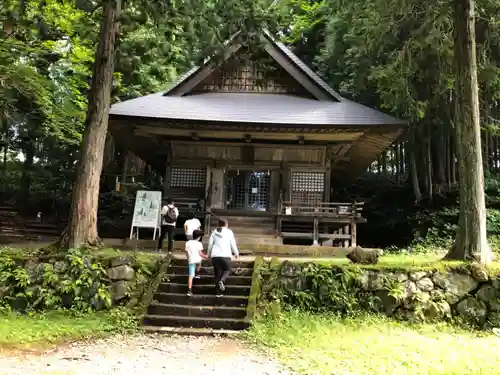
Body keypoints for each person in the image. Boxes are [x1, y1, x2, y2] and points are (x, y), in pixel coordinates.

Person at [207, 218, 239, 297]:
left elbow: (210, 244)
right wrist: (236, 253)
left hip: (215, 256)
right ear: (226, 224)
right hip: (225, 255)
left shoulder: (214, 232)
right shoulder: (229, 232)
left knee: (217, 274)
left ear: (218, 224)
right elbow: (233, 244)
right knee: (227, 270)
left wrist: (208, 254)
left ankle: (218, 293)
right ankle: (222, 280)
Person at [185, 229, 207, 296]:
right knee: (200, 260)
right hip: (197, 259)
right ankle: (197, 272)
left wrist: (188, 258)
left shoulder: (187, 243)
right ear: (199, 237)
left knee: (191, 275)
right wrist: (205, 256)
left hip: (191, 260)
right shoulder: (199, 244)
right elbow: (200, 254)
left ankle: (189, 290)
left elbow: (186, 252)